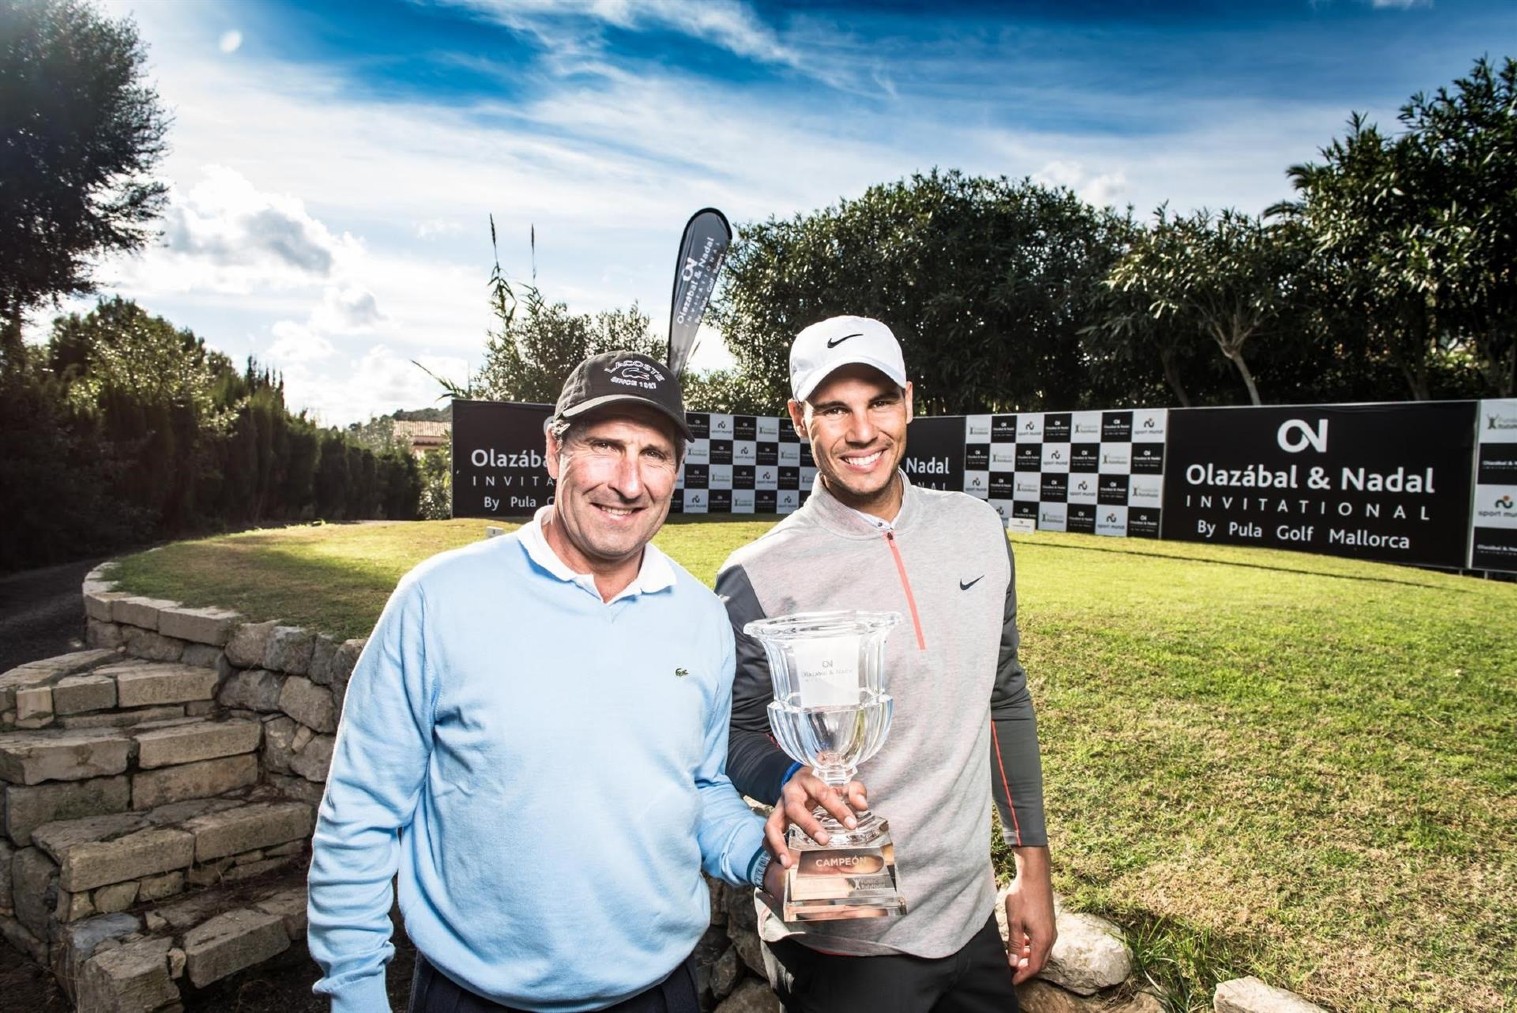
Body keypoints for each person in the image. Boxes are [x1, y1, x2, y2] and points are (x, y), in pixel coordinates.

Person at [308, 351, 782, 1013]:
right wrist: (355, 991)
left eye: (653, 453)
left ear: (676, 469)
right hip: (469, 999)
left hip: (659, 995)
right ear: (554, 450)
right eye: (604, 446)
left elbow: (698, 786)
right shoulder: (438, 600)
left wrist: (764, 856)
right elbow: (359, 813)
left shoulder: (700, 616)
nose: (628, 481)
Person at [716, 316, 1056, 1012]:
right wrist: (788, 772)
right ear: (797, 417)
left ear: (908, 400)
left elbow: (1003, 697)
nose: (862, 429)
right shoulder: (758, 573)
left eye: (877, 401)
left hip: (970, 923)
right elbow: (727, 734)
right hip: (849, 939)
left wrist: (1032, 866)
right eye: (833, 407)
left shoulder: (977, 529)